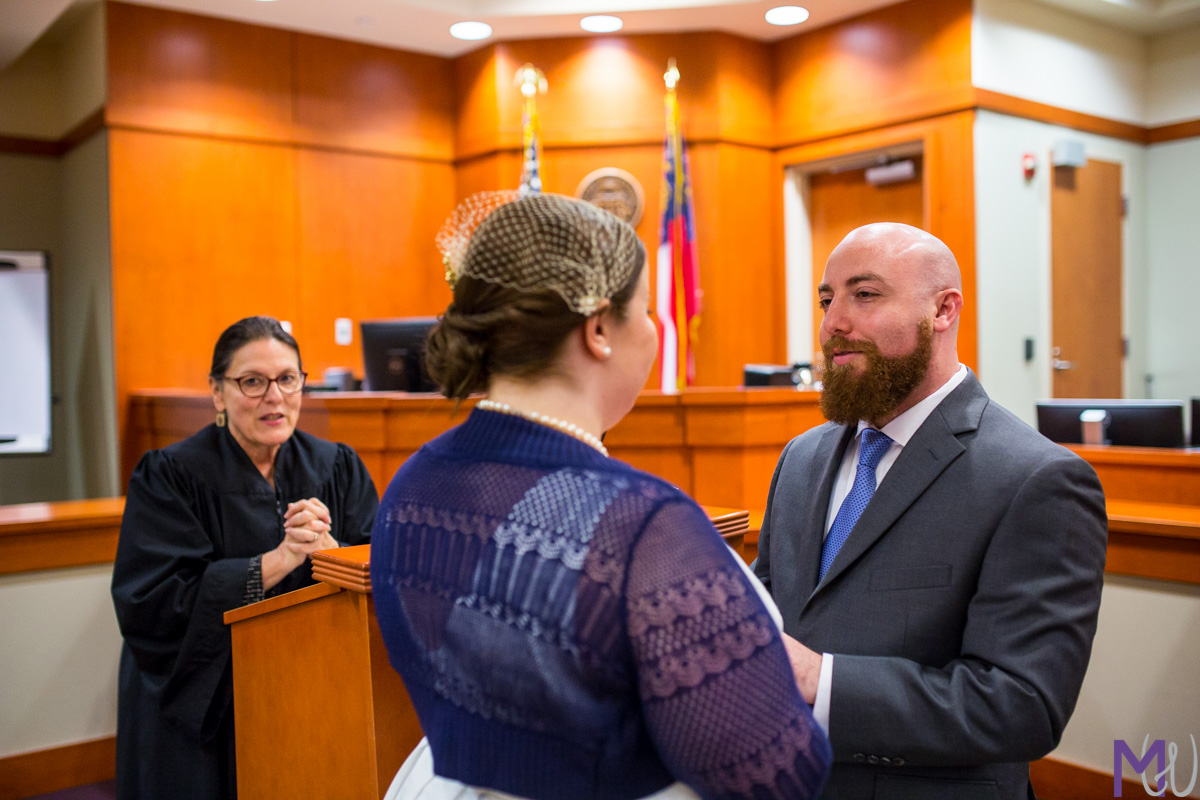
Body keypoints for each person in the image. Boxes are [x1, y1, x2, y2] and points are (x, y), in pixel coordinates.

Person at [371, 192, 832, 800]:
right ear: (597, 330)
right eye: (645, 311)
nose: (656, 330)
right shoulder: (644, 527)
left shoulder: (412, 484)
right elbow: (778, 774)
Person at [753, 223, 1108, 799]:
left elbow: (1021, 706)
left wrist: (823, 681)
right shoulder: (801, 457)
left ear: (943, 311)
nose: (832, 323)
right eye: (826, 299)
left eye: (864, 295)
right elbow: (770, 612)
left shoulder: (1036, 480)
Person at [111, 316, 379, 800]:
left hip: (308, 687)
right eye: (252, 381)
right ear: (218, 392)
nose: (273, 396)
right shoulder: (169, 476)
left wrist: (329, 553)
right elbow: (152, 603)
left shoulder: (337, 466)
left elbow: (374, 568)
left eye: (287, 378)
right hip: (206, 704)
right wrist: (279, 560)